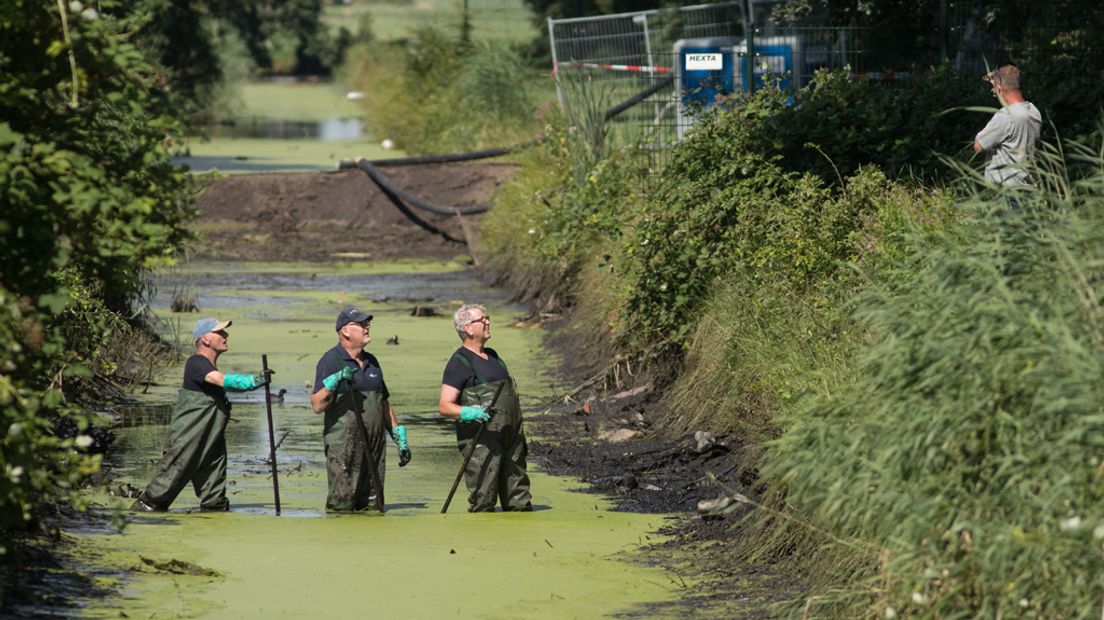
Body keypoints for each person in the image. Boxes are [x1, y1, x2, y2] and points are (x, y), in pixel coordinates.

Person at [132, 318, 270, 512]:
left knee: (214, 487)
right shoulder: (196, 363)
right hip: (189, 437)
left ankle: (215, 513)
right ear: (205, 339)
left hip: (210, 437)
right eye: (220, 333)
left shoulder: (208, 366)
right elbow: (221, 380)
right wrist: (253, 381)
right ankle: (140, 513)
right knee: (167, 481)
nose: (226, 336)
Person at [311, 307, 411, 511]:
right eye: (361, 324)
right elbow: (317, 405)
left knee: (374, 508)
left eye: (367, 323)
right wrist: (334, 381)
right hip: (345, 448)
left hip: (375, 447)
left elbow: (383, 403)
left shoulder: (372, 362)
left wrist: (400, 438)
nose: (367, 327)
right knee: (342, 507)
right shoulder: (331, 360)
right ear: (345, 331)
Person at [438, 304, 532, 512]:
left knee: (519, 498)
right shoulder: (459, 362)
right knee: (483, 500)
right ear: (469, 328)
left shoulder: (494, 357)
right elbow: (444, 406)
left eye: (487, 318)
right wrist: (469, 412)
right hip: (482, 442)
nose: (488, 322)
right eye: (483, 319)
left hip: (511, 437)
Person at [973, 63, 1042, 188]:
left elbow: (978, 146)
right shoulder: (1033, 110)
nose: (992, 91)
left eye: (993, 87)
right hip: (1030, 190)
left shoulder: (1005, 116)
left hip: (1008, 194)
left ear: (999, 87)